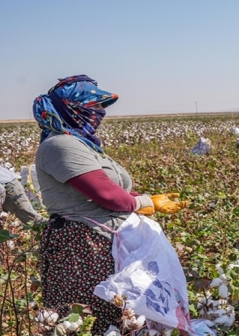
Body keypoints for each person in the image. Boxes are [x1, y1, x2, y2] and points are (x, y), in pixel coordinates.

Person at [33, 75, 188, 334]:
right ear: (73, 107)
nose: (101, 112)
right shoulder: (60, 145)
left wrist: (141, 199)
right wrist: (146, 203)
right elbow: (106, 195)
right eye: (95, 105)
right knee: (87, 315)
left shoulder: (83, 143)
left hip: (103, 240)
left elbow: (114, 189)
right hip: (82, 245)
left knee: (116, 313)